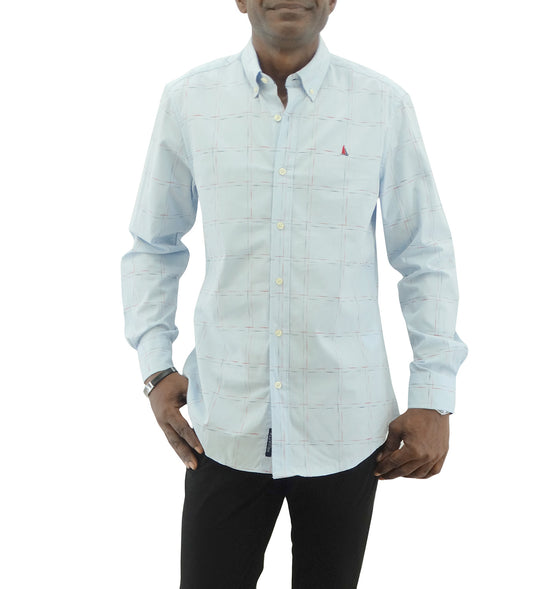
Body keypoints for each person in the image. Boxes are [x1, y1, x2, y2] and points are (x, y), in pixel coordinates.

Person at [121, 1, 468, 587]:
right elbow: (153, 245)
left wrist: (434, 395)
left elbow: (424, 253)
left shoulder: (382, 105)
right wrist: (155, 367)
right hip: (225, 425)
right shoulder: (189, 102)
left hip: (346, 427)